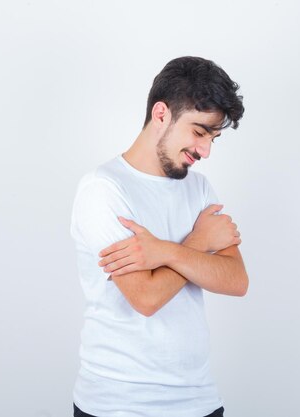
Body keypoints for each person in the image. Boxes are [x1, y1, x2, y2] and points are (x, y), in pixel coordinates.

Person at [70, 56, 248, 417]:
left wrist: (163, 252)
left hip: (199, 401)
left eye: (213, 138)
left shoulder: (199, 188)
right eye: (199, 132)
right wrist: (199, 243)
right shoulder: (103, 190)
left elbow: (236, 280)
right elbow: (147, 298)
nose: (205, 150)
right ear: (161, 114)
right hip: (120, 405)